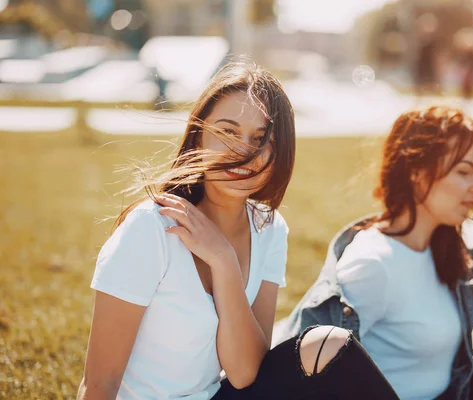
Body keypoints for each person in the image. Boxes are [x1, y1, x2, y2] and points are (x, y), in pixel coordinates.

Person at [77, 59, 400, 400]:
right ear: (198, 135)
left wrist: (224, 262)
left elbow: (246, 373)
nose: (244, 153)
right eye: (227, 132)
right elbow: (100, 382)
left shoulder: (270, 228)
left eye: (260, 139)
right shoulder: (151, 228)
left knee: (328, 344)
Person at [276, 106, 473, 400]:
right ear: (417, 171)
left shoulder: (445, 255)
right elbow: (298, 358)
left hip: (456, 393)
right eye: (464, 172)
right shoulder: (373, 264)